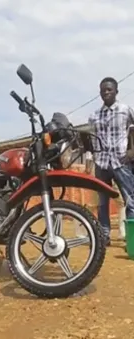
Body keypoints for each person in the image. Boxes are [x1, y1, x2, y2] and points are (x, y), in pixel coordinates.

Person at [86, 77, 134, 246]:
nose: (106, 92)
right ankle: (104, 236)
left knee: (130, 200)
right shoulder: (94, 116)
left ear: (116, 91)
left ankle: (131, 238)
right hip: (102, 164)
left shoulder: (125, 110)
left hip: (121, 162)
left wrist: (131, 151)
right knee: (102, 202)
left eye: (109, 90)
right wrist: (91, 160)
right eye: (103, 90)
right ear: (100, 93)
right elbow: (91, 140)